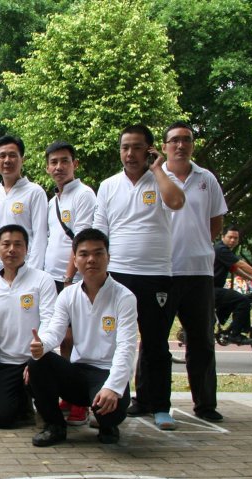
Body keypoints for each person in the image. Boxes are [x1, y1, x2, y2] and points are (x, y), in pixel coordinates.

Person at [94, 124, 185, 430]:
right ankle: (114, 401)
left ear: (149, 150)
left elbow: (176, 202)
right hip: (117, 274)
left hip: (156, 274)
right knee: (113, 341)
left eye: (137, 148)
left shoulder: (162, 179)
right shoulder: (108, 186)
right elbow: (100, 230)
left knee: (156, 342)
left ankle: (159, 405)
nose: (130, 154)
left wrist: (158, 169)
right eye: (125, 148)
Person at [28, 228, 137, 446]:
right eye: (84, 254)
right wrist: (42, 345)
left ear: (108, 257)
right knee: (37, 362)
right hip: (78, 373)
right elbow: (56, 331)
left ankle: (108, 426)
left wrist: (113, 387)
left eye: (98, 253)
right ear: (75, 259)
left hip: (106, 373)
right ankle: (55, 426)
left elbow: (127, 347)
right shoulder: (68, 295)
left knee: (110, 413)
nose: (91, 260)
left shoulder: (124, 297)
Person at [163, 122, 228, 422]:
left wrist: (199, 244)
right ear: (164, 147)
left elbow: (216, 222)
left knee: (201, 340)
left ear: (192, 145)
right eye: (174, 140)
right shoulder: (155, 177)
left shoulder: (207, 179)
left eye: (186, 140)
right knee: (154, 339)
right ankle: (148, 399)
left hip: (199, 271)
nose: (180, 145)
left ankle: (205, 404)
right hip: (163, 270)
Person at [43, 140, 97, 425]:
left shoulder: (84, 194)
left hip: (73, 279)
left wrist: (69, 277)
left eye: (64, 161)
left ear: (75, 164)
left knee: (75, 339)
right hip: (52, 277)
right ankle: (68, 392)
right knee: (62, 339)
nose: (59, 167)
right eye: (53, 162)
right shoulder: (53, 201)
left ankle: (80, 401)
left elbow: (82, 242)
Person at [0, 225, 57, 428]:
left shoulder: (42, 280)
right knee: (0, 419)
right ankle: (23, 404)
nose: (12, 250)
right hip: (7, 363)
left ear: (26, 249)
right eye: (6, 244)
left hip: (38, 361)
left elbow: (50, 319)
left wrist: (39, 352)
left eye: (18, 244)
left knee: (46, 406)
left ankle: (43, 408)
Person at [0, 135, 48, 274]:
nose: (7, 160)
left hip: (25, 269)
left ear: (23, 159)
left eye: (12, 155)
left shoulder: (35, 192)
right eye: (2, 156)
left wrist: (34, 273)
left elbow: (40, 235)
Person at [214, 226, 252, 344]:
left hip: (214, 289)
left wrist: (250, 278)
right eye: (230, 237)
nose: (233, 240)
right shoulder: (221, 249)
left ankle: (221, 329)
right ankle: (235, 334)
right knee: (242, 301)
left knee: (234, 300)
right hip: (211, 289)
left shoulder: (224, 251)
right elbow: (239, 264)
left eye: (236, 238)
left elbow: (234, 268)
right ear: (222, 237)